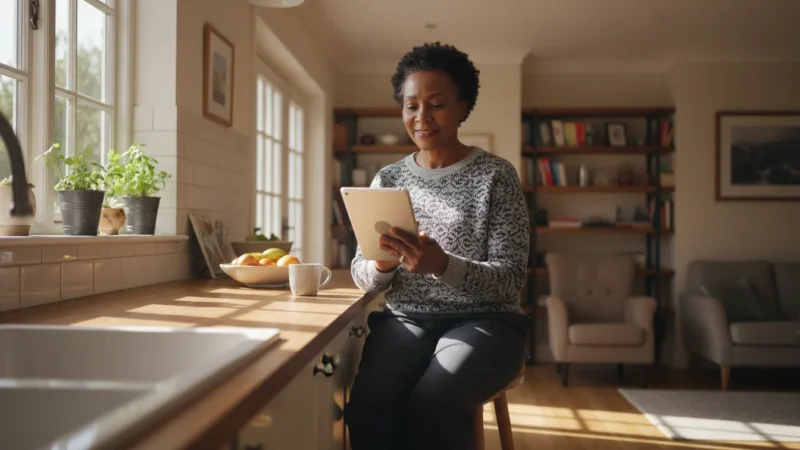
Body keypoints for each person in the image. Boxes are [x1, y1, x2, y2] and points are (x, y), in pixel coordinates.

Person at [344, 42, 531, 450]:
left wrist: (441, 264)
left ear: (463, 106)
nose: (421, 117)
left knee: (435, 402)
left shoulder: (496, 176)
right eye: (411, 105)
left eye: (437, 104)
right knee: (368, 407)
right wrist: (382, 265)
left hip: (488, 323)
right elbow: (363, 275)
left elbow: (511, 280)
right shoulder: (388, 179)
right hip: (407, 321)